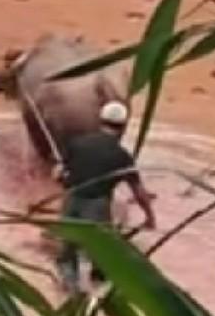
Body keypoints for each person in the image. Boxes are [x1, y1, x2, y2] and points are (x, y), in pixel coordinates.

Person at [54, 100, 156, 292]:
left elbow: (58, 172)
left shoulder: (77, 143)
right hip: (97, 207)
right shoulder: (122, 156)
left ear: (100, 120)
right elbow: (139, 191)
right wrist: (150, 217)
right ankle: (100, 298)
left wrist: (60, 175)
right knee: (103, 256)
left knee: (67, 256)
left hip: (71, 200)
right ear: (124, 126)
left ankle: (69, 295)